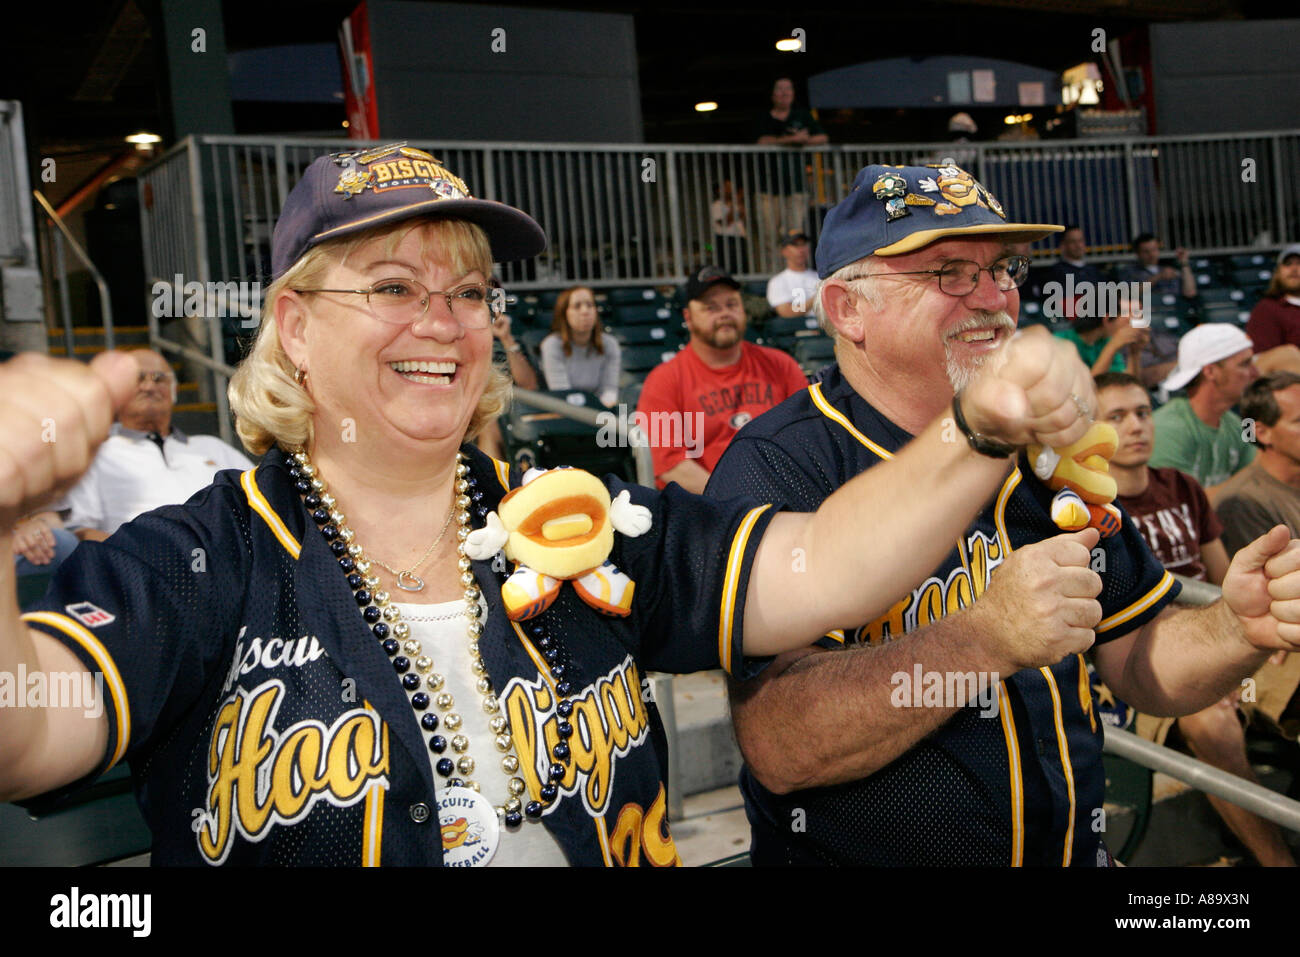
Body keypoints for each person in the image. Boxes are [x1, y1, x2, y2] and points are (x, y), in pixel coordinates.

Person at [0, 144, 1101, 868]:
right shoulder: (201, 558)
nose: (443, 323)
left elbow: (828, 568)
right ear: (293, 326)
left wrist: (976, 426)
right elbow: (27, 729)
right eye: (392, 287)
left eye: (470, 292)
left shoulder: (585, 522)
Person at [707, 161, 1300, 866]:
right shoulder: (778, 463)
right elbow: (781, 745)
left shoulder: (1046, 441)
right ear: (846, 309)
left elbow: (1138, 655)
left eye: (1003, 268)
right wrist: (979, 640)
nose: (994, 298)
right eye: (951, 273)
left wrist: (1238, 626)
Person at [1094, 371, 1295, 866]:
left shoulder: (1182, 486)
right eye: (1116, 417)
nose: (1136, 425)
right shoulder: (1084, 509)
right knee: (1209, 720)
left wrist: (1246, 637)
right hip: (1144, 664)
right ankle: (1277, 860)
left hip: (1222, 634)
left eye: (1143, 412)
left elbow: (1225, 582)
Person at [636, 265, 808, 493]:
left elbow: (807, 438)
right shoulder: (664, 381)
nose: (724, 313)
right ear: (688, 317)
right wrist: (739, 499)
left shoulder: (781, 365)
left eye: (732, 304)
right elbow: (671, 466)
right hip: (709, 506)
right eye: (711, 308)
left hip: (785, 497)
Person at [59, 347, 253, 540]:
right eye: (138, 379)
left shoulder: (214, 448)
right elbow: (79, 531)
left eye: (159, 378)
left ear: (173, 391)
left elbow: (261, 498)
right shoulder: (96, 456)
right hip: (139, 553)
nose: (149, 387)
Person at [1150, 324, 1258, 493]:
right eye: (1244, 364)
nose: (1255, 373)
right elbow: (1180, 502)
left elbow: (1257, 480)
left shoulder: (1241, 425)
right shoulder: (1166, 428)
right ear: (1210, 372)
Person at [753, 77, 827, 269]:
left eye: (788, 89)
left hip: (796, 187)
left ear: (793, 94)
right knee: (769, 235)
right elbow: (761, 141)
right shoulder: (763, 117)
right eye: (780, 89)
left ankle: (795, 271)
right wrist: (793, 140)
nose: (784, 93)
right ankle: (772, 272)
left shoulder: (801, 115)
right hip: (767, 188)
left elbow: (822, 137)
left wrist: (803, 141)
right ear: (772, 94)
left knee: (794, 234)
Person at [538, 286, 621, 407]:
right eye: (577, 306)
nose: (585, 311)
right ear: (564, 313)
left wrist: (602, 410)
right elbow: (562, 393)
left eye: (590, 305)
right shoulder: (551, 345)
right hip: (566, 410)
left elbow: (610, 390)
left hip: (600, 410)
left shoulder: (610, 344)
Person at [1053, 289, 1148, 377]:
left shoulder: (1105, 341)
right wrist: (1112, 346)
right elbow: (1087, 387)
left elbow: (1126, 385)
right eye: (1128, 314)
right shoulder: (1060, 343)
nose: (1134, 321)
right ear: (1107, 319)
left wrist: (1134, 352)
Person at [1245, 244, 1300, 366]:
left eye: (1299, 263)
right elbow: (1260, 362)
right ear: (1278, 272)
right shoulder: (1267, 309)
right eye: (1288, 264)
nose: (1294, 269)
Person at [1117, 232, 1198, 301]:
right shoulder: (1129, 271)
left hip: (1176, 309)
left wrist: (1184, 263)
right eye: (1146, 251)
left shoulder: (1169, 269)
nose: (1151, 254)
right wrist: (1159, 277)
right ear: (1137, 253)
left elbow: (1190, 292)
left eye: (1154, 250)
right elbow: (1130, 294)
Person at [766, 230, 820, 318]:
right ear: (784, 251)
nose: (801, 249)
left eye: (803, 244)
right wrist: (817, 297)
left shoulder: (820, 276)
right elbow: (786, 312)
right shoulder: (777, 281)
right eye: (796, 245)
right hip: (797, 326)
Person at [1041, 225, 1108, 291]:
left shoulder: (1093, 270)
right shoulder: (1056, 272)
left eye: (1080, 240)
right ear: (1063, 245)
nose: (1078, 245)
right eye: (1073, 241)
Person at [710, 179, 748, 275]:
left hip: (739, 237)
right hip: (725, 239)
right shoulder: (717, 205)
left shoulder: (735, 204)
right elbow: (724, 222)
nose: (731, 189)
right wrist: (733, 209)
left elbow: (742, 215)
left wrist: (738, 202)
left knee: (742, 266)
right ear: (719, 190)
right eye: (727, 187)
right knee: (729, 267)